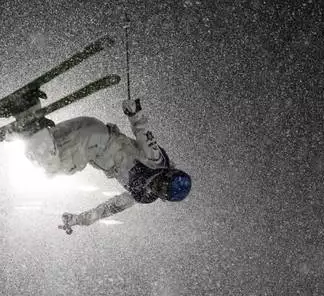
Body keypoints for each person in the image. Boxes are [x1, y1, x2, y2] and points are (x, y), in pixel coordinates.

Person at [10, 97, 192, 232]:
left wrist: (78, 220)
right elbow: (144, 135)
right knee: (54, 167)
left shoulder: (142, 193)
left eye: (159, 190)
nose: (154, 186)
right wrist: (135, 113)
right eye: (160, 183)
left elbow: (106, 209)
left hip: (94, 128)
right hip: (96, 143)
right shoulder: (157, 162)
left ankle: (27, 108)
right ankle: (29, 122)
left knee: (50, 146)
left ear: (161, 196)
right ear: (167, 174)